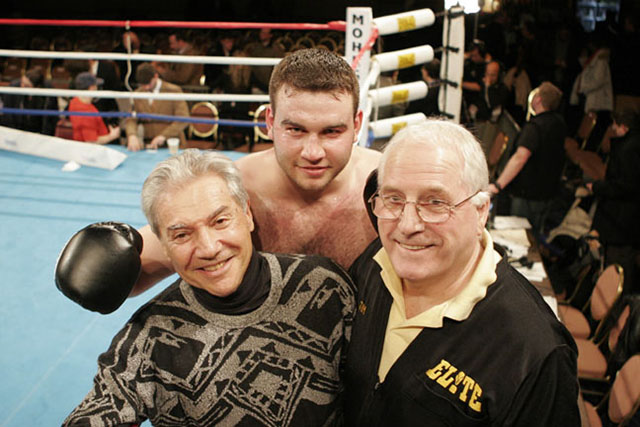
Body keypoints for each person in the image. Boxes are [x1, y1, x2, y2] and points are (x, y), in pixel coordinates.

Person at [62, 150, 355, 426]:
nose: (209, 248)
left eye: (220, 221)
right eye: (182, 234)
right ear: (163, 245)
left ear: (248, 215)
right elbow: (99, 411)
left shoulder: (322, 284)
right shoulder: (150, 338)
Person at [344, 119, 580, 426]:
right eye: (394, 199)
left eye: (435, 202)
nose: (407, 225)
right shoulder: (374, 263)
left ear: (481, 211)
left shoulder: (533, 349)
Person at [488, 81, 567, 237]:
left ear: (537, 100)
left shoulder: (535, 127)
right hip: (548, 192)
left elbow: (521, 157)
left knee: (520, 236)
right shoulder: (560, 124)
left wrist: (498, 185)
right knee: (535, 235)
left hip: (527, 195)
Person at [586, 109, 640, 295]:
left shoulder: (629, 150)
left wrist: (599, 187)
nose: (612, 129)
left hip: (621, 222)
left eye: (615, 125)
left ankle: (613, 314)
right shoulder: (629, 147)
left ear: (624, 127)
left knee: (617, 270)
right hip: (623, 222)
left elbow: (626, 186)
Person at [124, 63, 190, 151]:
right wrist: (132, 135)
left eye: (148, 83)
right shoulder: (138, 93)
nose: (146, 87)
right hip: (149, 143)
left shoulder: (173, 90)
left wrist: (163, 136)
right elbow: (131, 118)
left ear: (156, 76)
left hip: (172, 143)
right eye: (143, 85)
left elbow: (183, 118)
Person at [68, 72, 121, 144]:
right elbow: (91, 142)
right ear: (92, 87)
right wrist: (112, 136)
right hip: (95, 149)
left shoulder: (74, 102)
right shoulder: (87, 112)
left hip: (81, 146)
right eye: (96, 85)